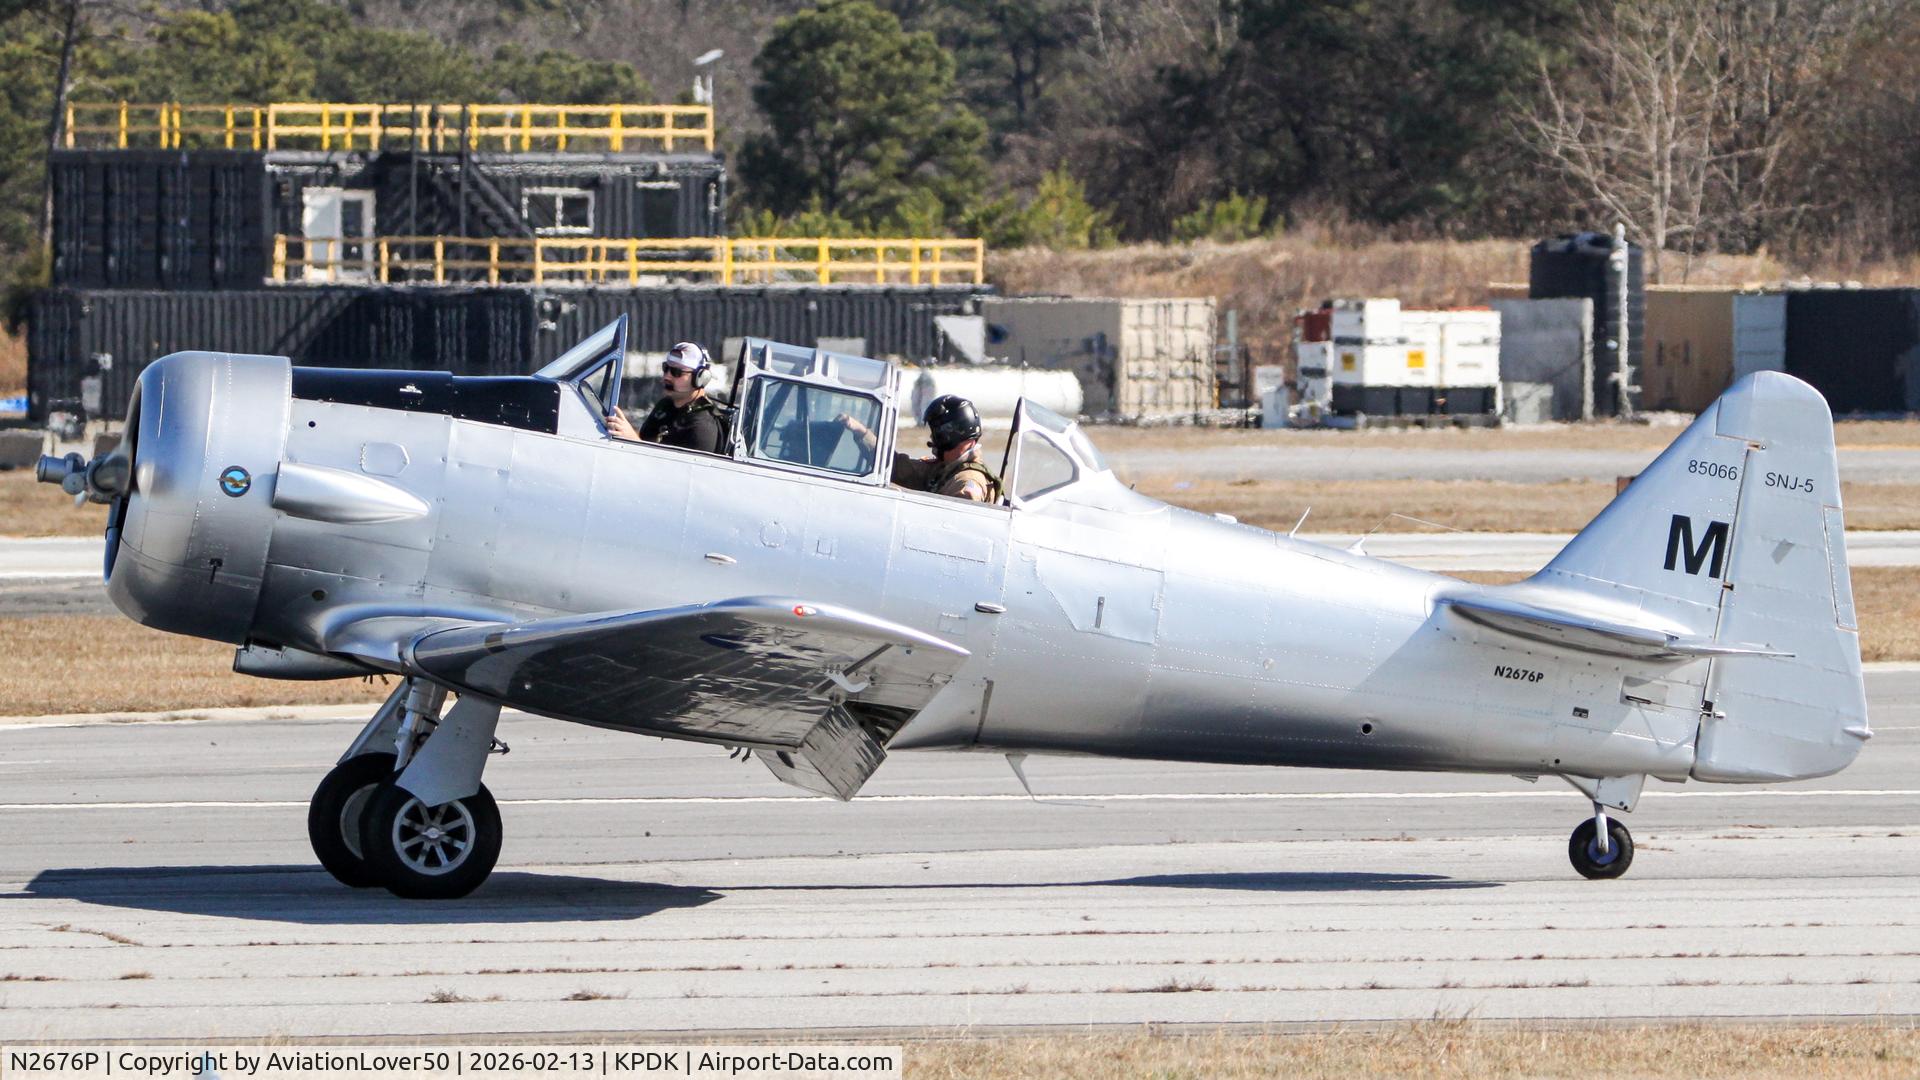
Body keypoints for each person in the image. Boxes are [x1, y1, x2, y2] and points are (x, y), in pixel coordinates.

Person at [843, 394, 1002, 503]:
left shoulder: (967, 481)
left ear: (949, 434)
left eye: (936, 432)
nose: (933, 438)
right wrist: (861, 433)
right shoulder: (945, 470)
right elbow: (898, 467)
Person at [607, 342, 727, 455]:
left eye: (677, 372)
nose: (667, 376)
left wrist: (633, 440)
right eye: (666, 368)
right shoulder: (665, 406)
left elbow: (676, 474)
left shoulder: (702, 427)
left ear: (700, 378)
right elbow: (646, 440)